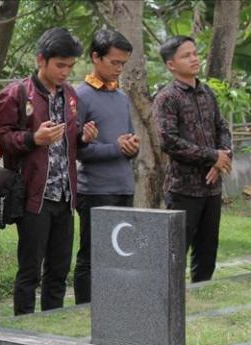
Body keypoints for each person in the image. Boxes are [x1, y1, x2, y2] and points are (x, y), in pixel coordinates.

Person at [0, 28, 98, 315]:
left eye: (70, 66)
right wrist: (32, 139)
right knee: (30, 271)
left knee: (59, 269)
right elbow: (1, 138)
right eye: (60, 65)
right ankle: (25, 329)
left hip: (65, 196)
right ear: (42, 59)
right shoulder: (16, 93)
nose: (66, 72)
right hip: (33, 196)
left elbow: (69, 138)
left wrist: (82, 137)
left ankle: (55, 326)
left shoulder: (71, 95)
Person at [153, 36, 232, 282]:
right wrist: (212, 157)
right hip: (183, 190)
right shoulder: (167, 97)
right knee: (176, 251)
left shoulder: (207, 92)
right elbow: (169, 141)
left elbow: (222, 128)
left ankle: (201, 298)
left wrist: (222, 158)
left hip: (211, 188)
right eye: (186, 55)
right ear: (171, 64)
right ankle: (169, 303)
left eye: (195, 53)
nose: (194, 58)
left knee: (207, 251)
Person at [73, 29, 140, 304]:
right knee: (91, 254)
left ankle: (117, 306)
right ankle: (84, 308)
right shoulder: (81, 97)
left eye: (123, 63)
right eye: (114, 62)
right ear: (95, 58)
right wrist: (116, 147)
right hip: (95, 190)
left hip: (124, 187)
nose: (119, 68)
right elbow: (76, 149)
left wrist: (132, 147)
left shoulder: (122, 98)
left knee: (121, 253)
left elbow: (129, 137)